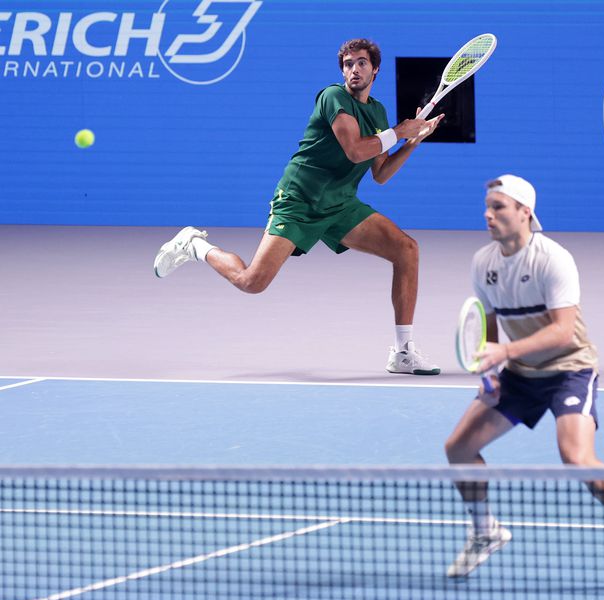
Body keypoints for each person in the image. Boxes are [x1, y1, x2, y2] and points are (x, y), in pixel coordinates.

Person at [153, 38, 443, 375]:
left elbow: (380, 173)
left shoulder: (377, 111)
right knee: (252, 282)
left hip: (340, 204)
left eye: (361, 63)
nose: (353, 70)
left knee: (406, 250)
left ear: (374, 69)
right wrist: (399, 131)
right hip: (299, 200)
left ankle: (403, 352)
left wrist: (412, 142)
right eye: (348, 64)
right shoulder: (333, 97)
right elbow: (353, 150)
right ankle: (196, 245)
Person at [443, 175, 604, 592]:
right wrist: (491, 373)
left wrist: (505, 354)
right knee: (458, 448)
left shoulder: (553, 259)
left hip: (570, 368)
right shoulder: (483, 262)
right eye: (487, 206)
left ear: (525, 212)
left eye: (498, 207)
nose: (487, 214)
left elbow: (564, 332)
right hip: (520, 375)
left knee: (577, 457)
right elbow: (489, 326)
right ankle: (485, 531)